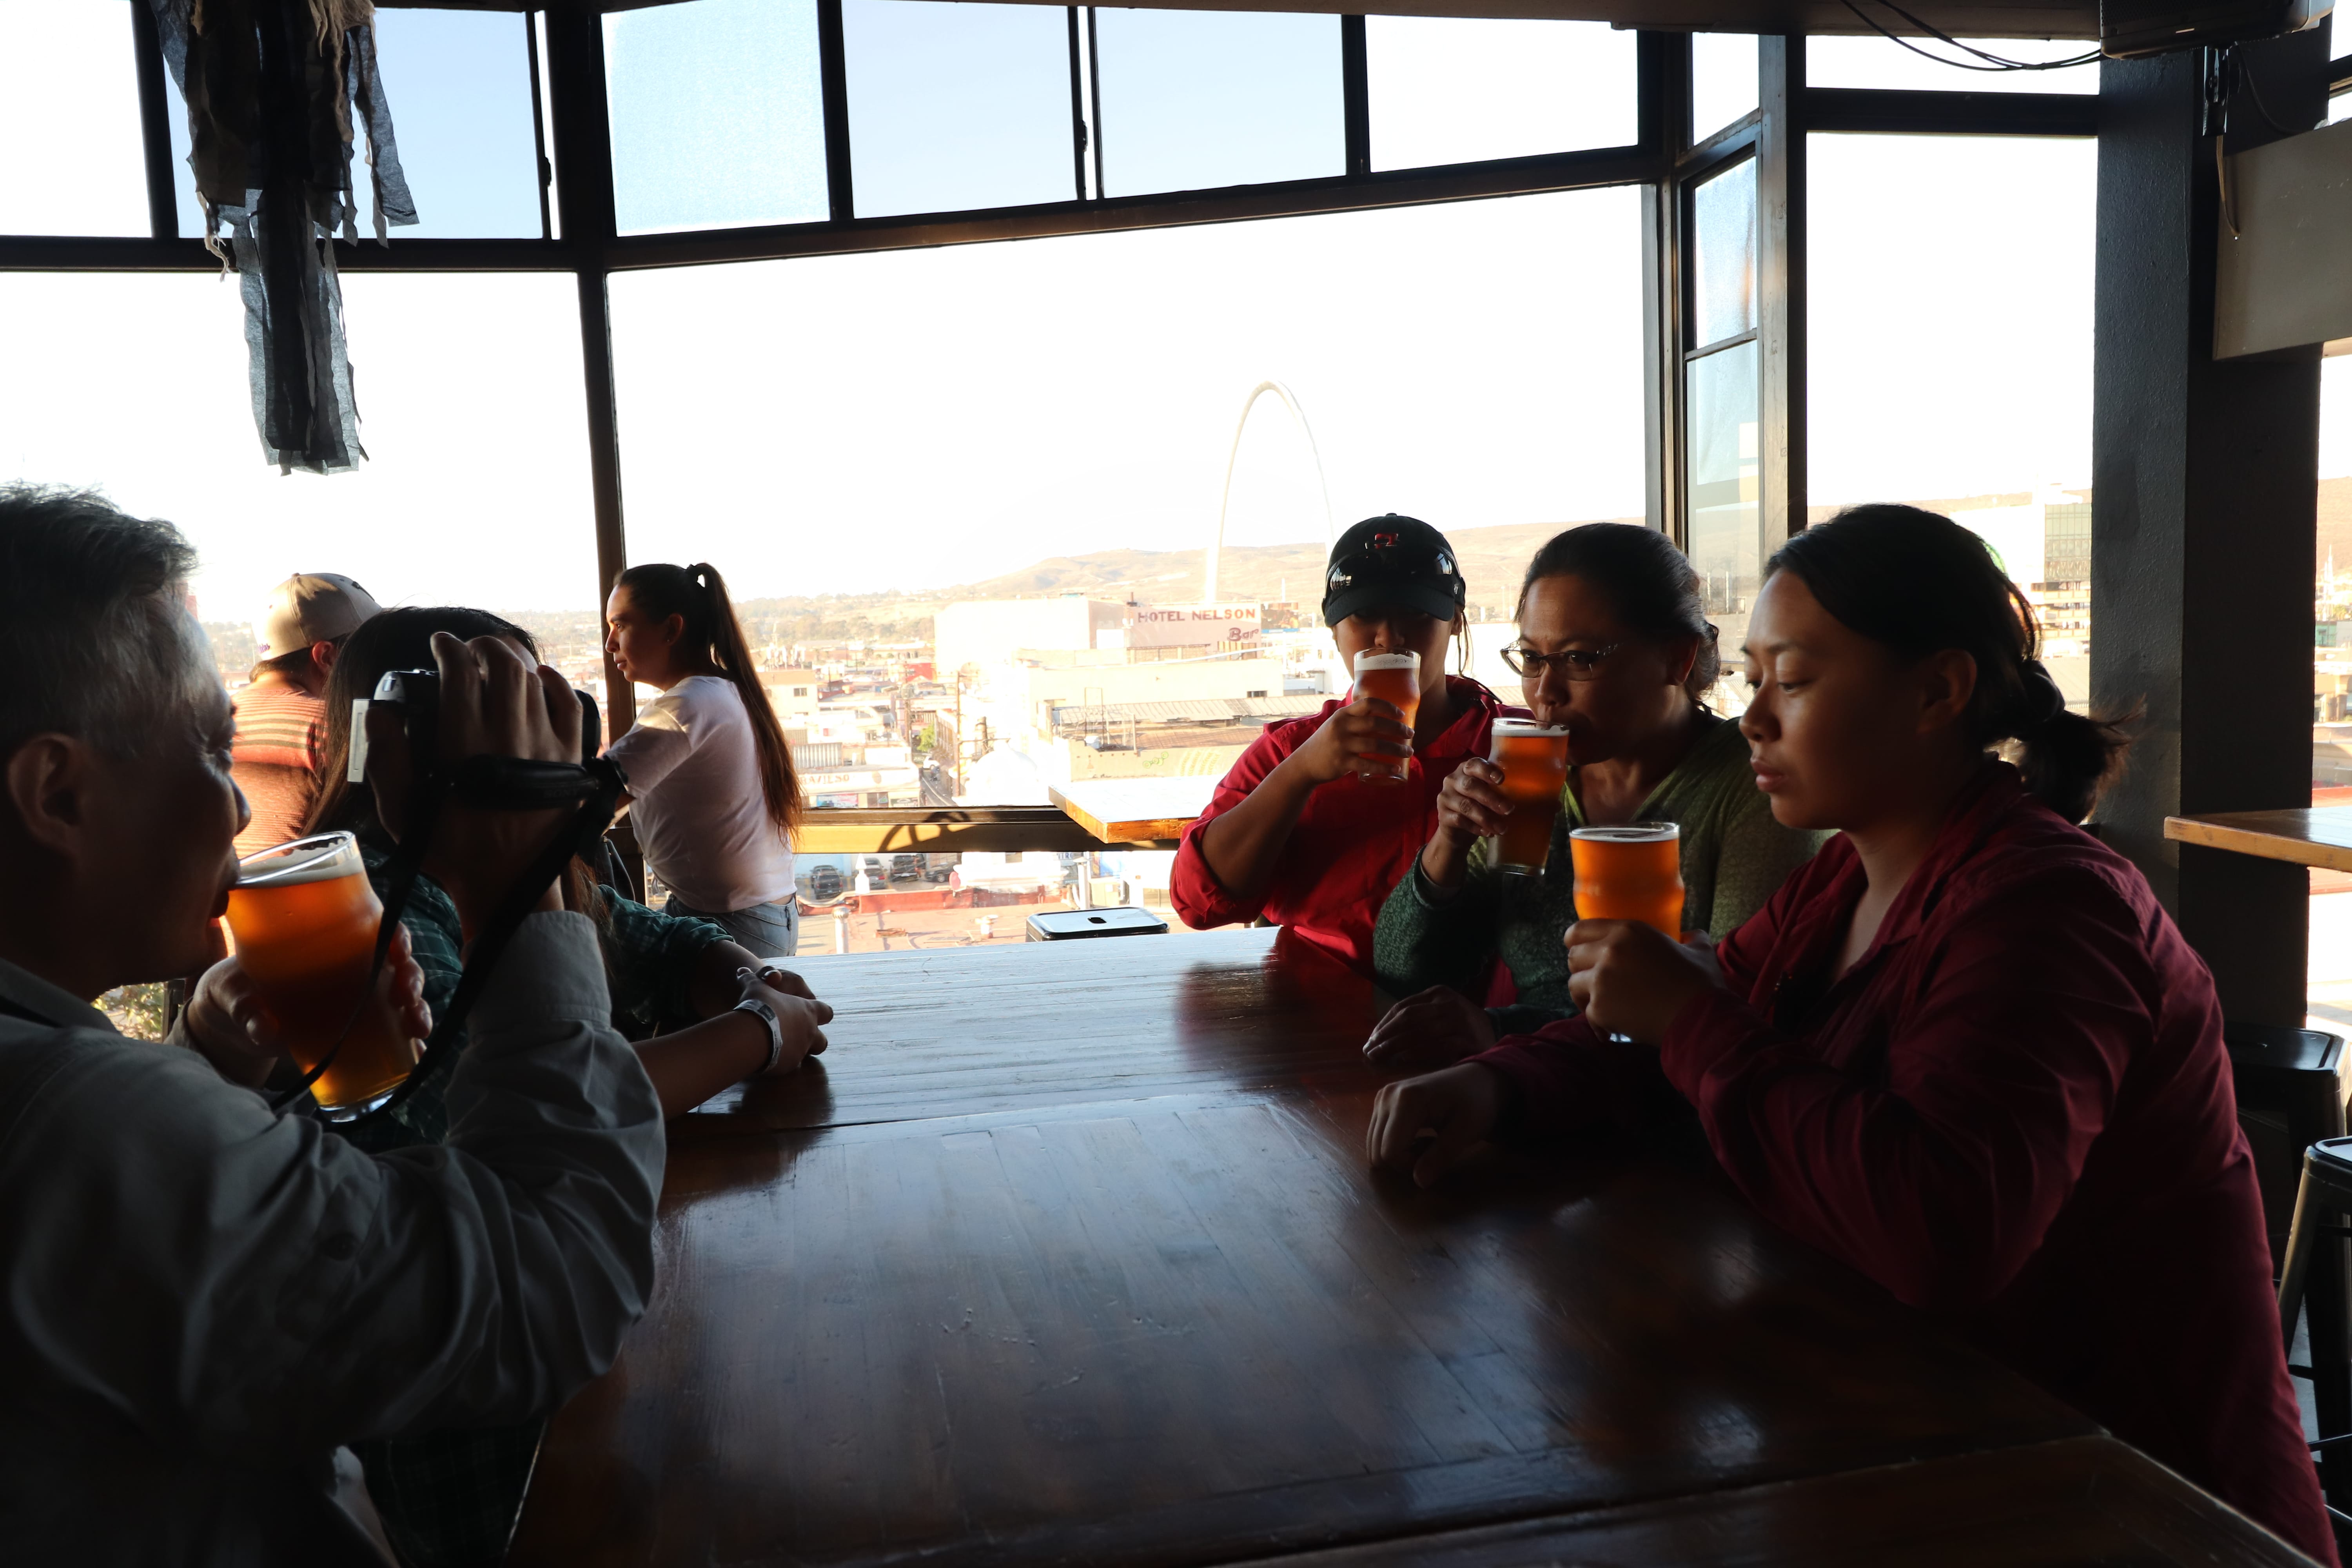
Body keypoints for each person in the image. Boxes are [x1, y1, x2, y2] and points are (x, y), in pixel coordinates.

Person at [1365, 505, 2334, 1564]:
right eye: (1753, 679)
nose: (1753, 720)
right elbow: (1672, 1033)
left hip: (2134, 1501)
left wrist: (1692, 1019)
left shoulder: (2048, 907)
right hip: (1920, 1445)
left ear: (1938, 691)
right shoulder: (1848, 875)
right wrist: (1498, 1084)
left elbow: (1942, 1230)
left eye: (1792, 680)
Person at [0, 484, 663, 1560]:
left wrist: (206, 1066)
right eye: (209, 748)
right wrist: (517, 890)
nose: (235, 805)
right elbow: (556, 1286)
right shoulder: (79, 1128)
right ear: (57, 795)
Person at [1367, 524, 1824, 1064]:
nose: (1545, 693)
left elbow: (1729, 1026)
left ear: (1677, 658)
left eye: (1579, 659)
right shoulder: (1535, 778)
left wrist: (1503, 1035)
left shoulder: (1756, 785)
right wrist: (1448, 844)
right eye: (1532, 659)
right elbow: (1402, 970)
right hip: (1522, 1083)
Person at [1171, 516, 1516, 975]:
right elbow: (1198, 904)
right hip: (1319, 1004)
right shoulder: (1289, 749)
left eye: (1416, 613)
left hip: (1481, 1012)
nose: (1389, 637)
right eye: (1365, 616)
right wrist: (1301, 773)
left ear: (1455, 620)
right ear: (1333, 630)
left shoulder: (1520, 744)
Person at [603, 562, 803, 958]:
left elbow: (597, 799)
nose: (610, 643)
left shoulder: (687, 705)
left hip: (733, 923)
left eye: (621, 625)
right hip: (760, 916)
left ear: (671, 629)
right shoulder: (725, 691)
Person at [230, 571, 381, 856]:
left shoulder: (215, 721)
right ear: (327, 657)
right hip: (306, 884)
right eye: (369, 652)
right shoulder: (339, 727)